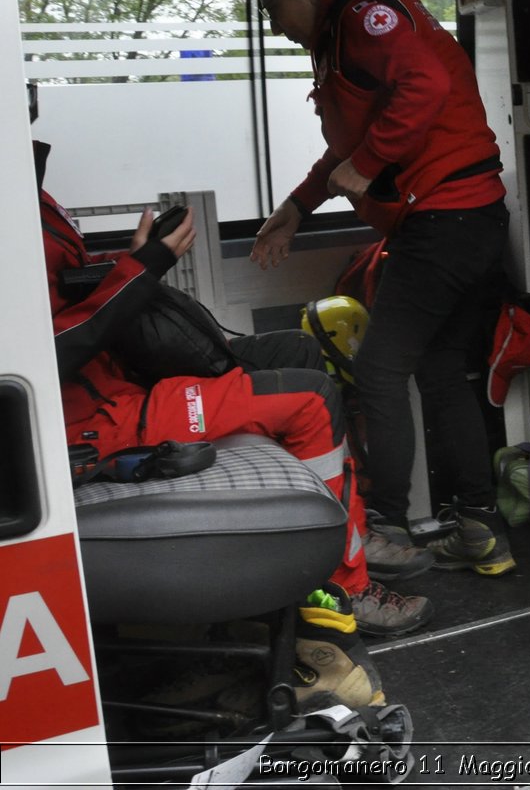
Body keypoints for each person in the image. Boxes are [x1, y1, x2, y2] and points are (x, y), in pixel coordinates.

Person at [34, 109, 427, 709]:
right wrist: (145, 268)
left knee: (295, 348)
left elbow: (61, 298)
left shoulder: (31, 194)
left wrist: (127, 266)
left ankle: (345, 537)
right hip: (84, 420)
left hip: (112, 386)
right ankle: (342, 595)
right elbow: (51, 347)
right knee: (309, 398)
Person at [241, 0, 516, 578]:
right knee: (442, 370)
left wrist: (366, 164)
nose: (274, 23)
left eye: (273, 5)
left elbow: (424, 87)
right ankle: (479, 529)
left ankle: (388, 528)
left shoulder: (366, 13)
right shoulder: (342, 30)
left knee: (380, 371)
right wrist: (294, 209)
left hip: (445, 219)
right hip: (466, 216)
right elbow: (351, 139)